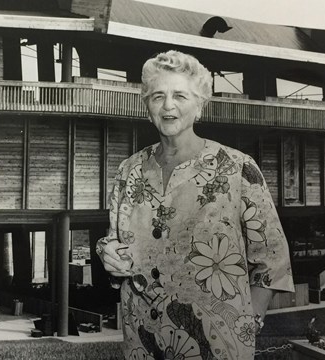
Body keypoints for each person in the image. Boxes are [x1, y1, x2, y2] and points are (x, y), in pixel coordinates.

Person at [96, 50, 294, 360]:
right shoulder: (128, 171)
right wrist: (107, 253)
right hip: (142, 340)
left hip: (219, 343)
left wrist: (249, 322)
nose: (169, 105)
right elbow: (116, 241)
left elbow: (272, 258)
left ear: (199, 104)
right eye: (158, 96)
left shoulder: (238, 168)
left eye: (180, 95)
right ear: (147, 106)